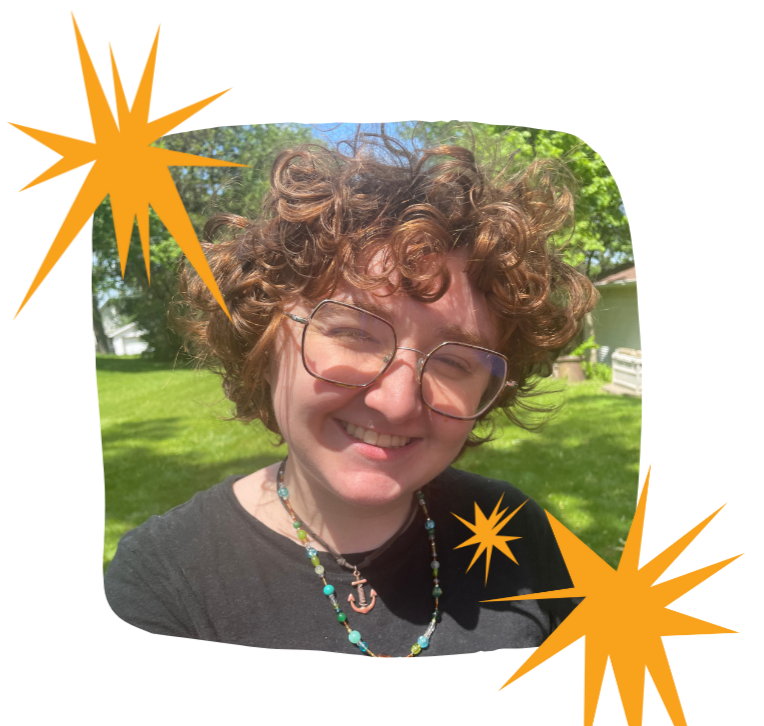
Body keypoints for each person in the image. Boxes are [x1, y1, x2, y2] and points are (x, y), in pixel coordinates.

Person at [103, 130, 599, 657]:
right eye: (354, 333)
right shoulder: (163, 582)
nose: (397, 402)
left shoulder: (514, 528)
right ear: (265, 338)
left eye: (455, 361)